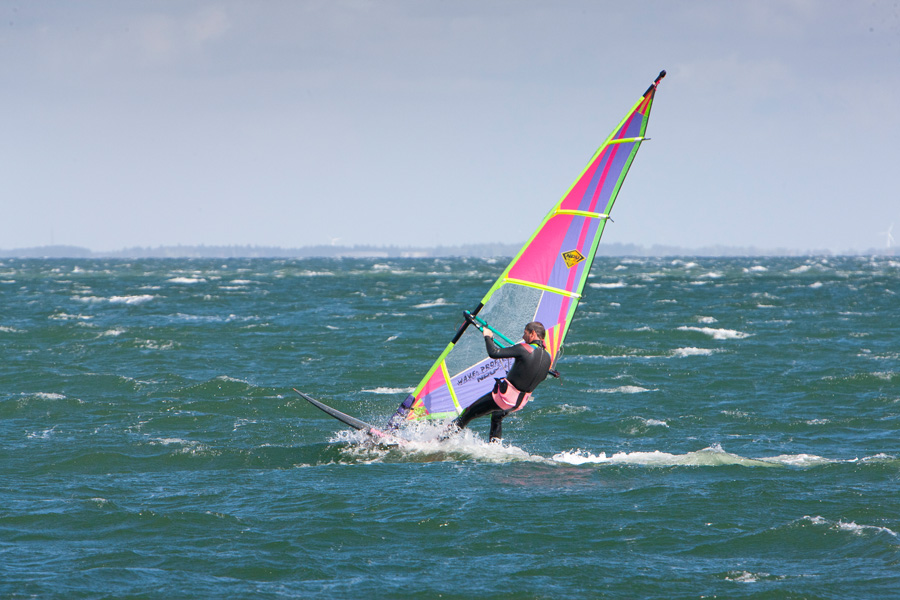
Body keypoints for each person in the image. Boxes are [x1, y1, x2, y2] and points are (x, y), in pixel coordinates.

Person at [449, 321, 553, 442]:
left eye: (525, 333)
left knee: (468, 413)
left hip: (503, 398)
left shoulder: (524, 349)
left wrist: (487, 336)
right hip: (518, 403)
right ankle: (494, 446)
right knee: (497, 416)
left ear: (533, 333)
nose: (522, 337)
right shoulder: (548, 357)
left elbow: (494, 353)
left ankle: (441, 439)